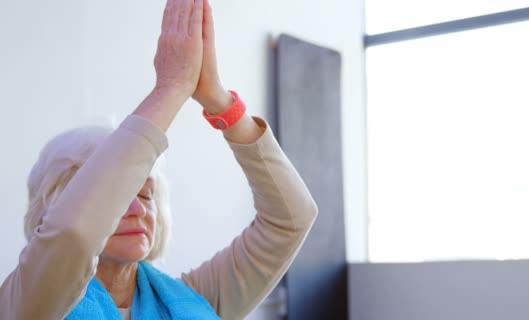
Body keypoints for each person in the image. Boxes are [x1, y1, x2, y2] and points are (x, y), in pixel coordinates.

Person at [0, 0, 318, 319]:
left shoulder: (197, 299)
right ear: (55, 205)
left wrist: (221, 103)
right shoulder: (30, 300)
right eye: (119, 196)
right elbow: (74, 235)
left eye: (147, 194)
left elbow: (291, 220)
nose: (138, 209)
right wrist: (170, 89)